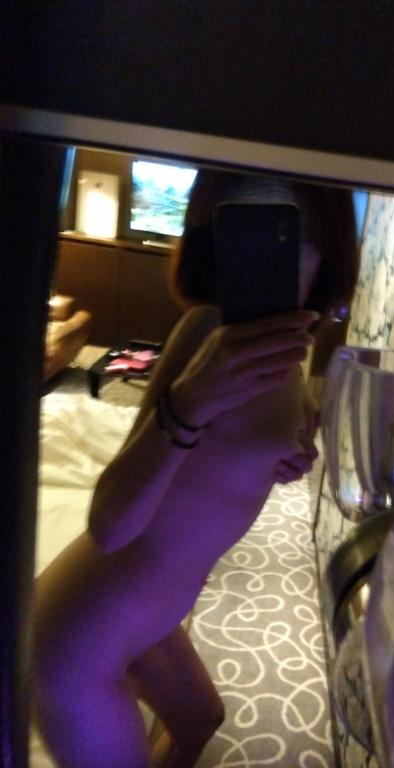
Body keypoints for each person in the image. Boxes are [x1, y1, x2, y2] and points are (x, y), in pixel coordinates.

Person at [33, 169, 359, 768]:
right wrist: (188, 404)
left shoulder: (290, 347)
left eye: (295, 233)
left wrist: (286, 459)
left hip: (149, 614)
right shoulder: (208, 329)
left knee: (200, 720)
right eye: (245, 225)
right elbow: (109, 525)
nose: (271, 257)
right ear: (215, 235)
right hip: (80, 636)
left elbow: (235, 454)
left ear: (331, 248)